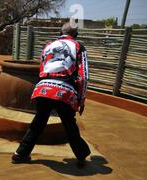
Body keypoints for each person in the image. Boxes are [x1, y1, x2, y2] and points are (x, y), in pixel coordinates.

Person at [12, 23, 91, 168]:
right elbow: (84, 75)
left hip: (43, 88)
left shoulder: (48, 45)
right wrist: (82, 99)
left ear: (60, 32)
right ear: (76, 34)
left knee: (38, 122)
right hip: (64, 91)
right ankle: (81, 156)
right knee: (69, 124)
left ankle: (20, 153)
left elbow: (42, 68)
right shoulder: (78, 46)